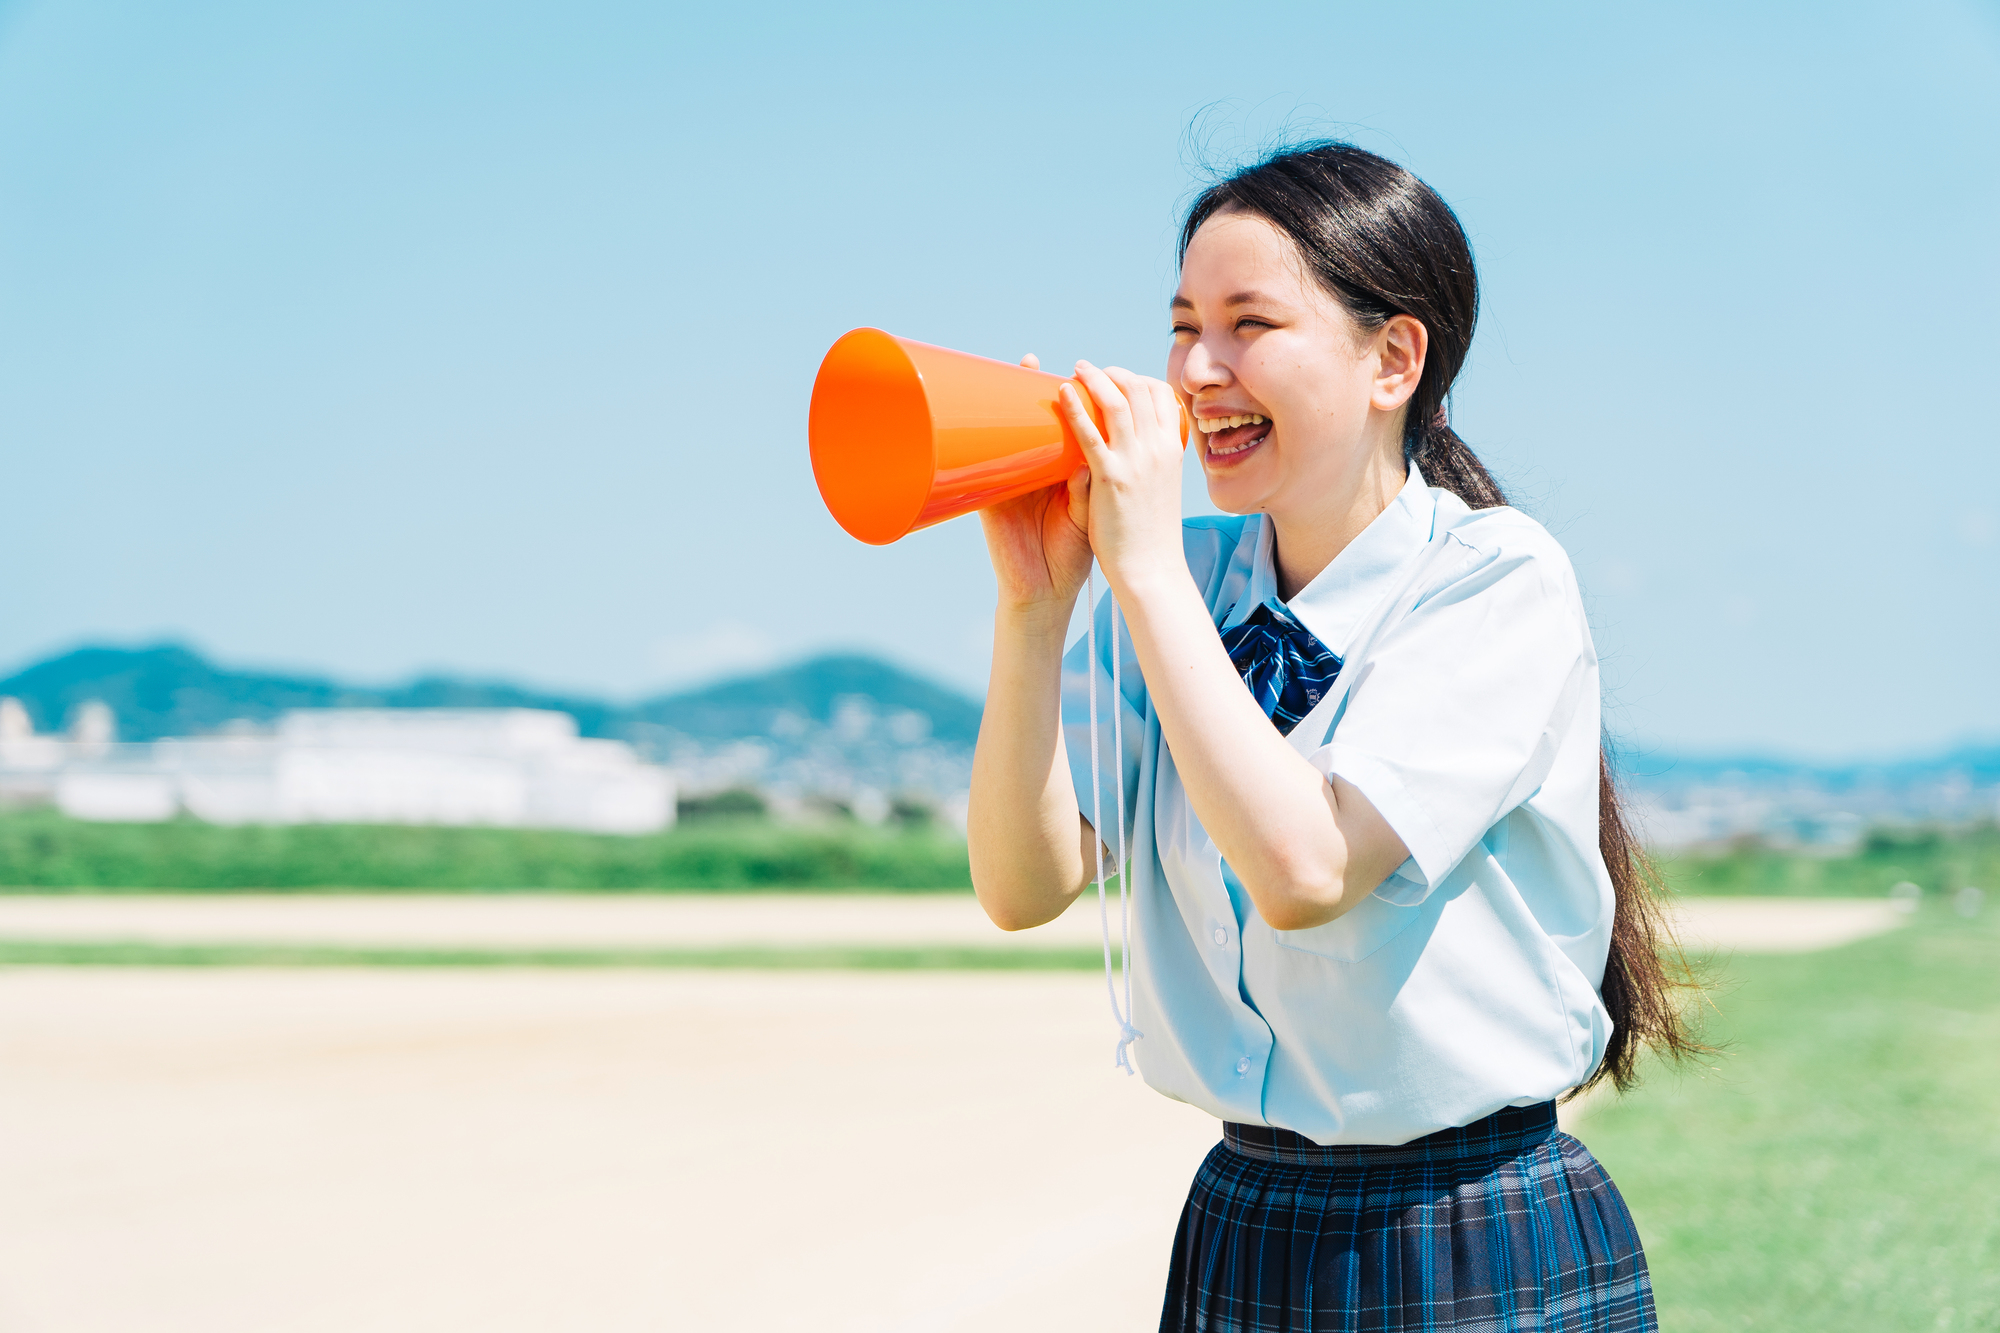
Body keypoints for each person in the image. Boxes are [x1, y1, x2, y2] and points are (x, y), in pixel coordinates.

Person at [965, 142, 1698, 1332]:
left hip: (1467, 1216)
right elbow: (1021, 882)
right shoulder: (1181, 581)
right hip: (1246, 1210)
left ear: (1391, 358)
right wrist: (1033, 610)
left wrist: (1141, 573)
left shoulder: (1490, 578)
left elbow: (1308, 869)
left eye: (1249, 324)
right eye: (1181, 324)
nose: (1197, 370)